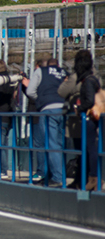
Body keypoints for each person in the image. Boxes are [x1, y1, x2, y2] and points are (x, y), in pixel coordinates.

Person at [26, 57, 67, 187]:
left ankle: (57, 177)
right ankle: (59, 174)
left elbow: (30, 91)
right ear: (58, 65)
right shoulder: (64, 72)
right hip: (64, 109)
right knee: (60, 144)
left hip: (48, 109)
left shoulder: (41, 71)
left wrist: (41, 100)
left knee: (51, 144)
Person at [72, 50, 101, 191]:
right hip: (93, 117)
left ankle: (93, 178)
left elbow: (89, 100)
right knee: (91, 148)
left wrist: (79, 108)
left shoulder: (88, 81)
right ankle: (94, 177)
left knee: (90, 148)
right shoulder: (93, 79)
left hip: (89, 118)